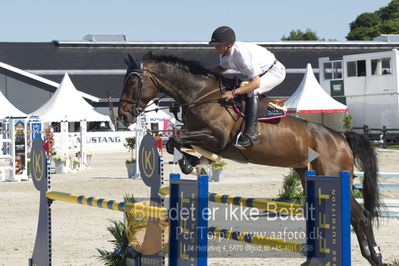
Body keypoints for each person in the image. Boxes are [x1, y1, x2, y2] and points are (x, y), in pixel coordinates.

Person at [209, 26, 286, 148]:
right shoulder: (224, 54)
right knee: (242, 88)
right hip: (259, 75)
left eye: (218, 44)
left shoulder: (243, 55)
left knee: (253, 90)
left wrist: (233, 93)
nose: (215, 47)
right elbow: (222, 68)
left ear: (228, 44)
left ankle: (251, 133)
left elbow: (256, 83)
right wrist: (205, 74)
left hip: (274, 72)